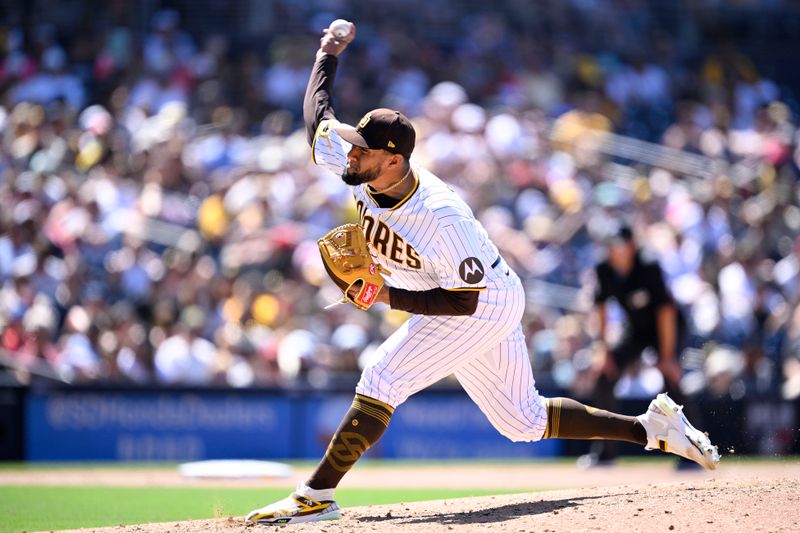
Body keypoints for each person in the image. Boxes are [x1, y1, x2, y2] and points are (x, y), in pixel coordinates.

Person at [245, 23, 719, 525]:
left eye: (363, 148)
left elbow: (464, 302)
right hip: (456, 290)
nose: (351, 151)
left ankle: (314, 496)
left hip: (481, 300)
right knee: (524, 420)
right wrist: (327, 53)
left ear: (394, 159)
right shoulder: (360, 163)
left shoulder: (440, 216)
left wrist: (385, 294)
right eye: (354, 144)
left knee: (383, 377)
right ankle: (652, 428)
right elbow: (317, 118)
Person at [580, 225, 694, 467]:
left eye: (618, 244)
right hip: (636, 331)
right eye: (610, 245)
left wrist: (667, 357)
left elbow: (666, 312)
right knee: (604, 376)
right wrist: (603, 351)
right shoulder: (604, 269)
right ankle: (606, 452)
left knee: (672, 381)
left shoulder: (649, 266)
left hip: (668, 329)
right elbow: (599, 309)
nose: (613, 250)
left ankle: (691, 451)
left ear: (631, 245)